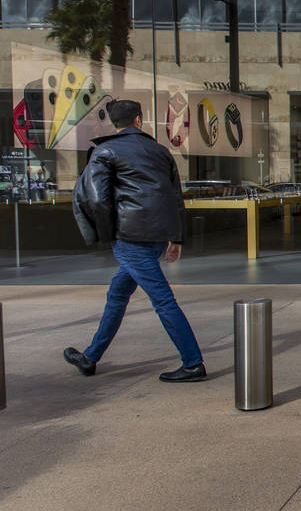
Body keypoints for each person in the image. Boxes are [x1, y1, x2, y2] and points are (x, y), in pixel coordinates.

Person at [64, 100, 206, 382]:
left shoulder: (105, 150)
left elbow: (96, 198)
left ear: (114, 124)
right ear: (139, 121)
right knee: (117, 294)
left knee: (163, 300)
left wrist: (108, 235)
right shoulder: (160, 151)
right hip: (156, 236)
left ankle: (193, 363)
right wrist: (176, 238)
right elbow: (176, 197)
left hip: (130, 238)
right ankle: (90, 357)